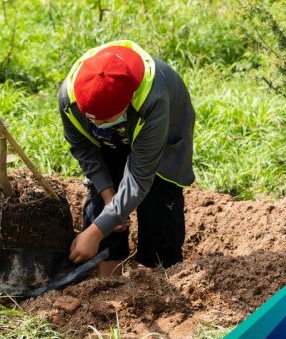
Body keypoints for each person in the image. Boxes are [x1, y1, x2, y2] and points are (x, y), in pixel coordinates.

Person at [59, 40, 195, 277]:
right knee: (100, 205)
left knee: (158, 203)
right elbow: (84, 148)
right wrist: (109, 202)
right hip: (113, 139)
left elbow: (140, 176)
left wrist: (95, 233)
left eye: (104, 119)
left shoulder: (153, 99)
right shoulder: (69, 99)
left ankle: (158, 279)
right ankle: (106, 281)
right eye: (92, 119)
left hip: (162, 138)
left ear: (127, 104)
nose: (97, 123)